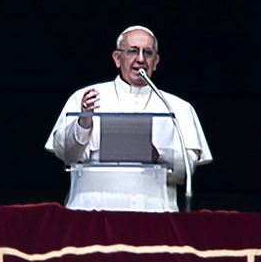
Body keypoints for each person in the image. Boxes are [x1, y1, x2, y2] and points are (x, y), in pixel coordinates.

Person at [45, 25, 212, 211]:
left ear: (156, 61)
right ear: (117, 58)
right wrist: (83, 124)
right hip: (90, 213)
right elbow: (65, 154)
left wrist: (158, 155)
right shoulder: (86, 97)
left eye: (147, 53)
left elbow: (187, 171)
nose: (141, 59)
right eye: (133, 51)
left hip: (154, 214)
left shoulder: (177, 107)